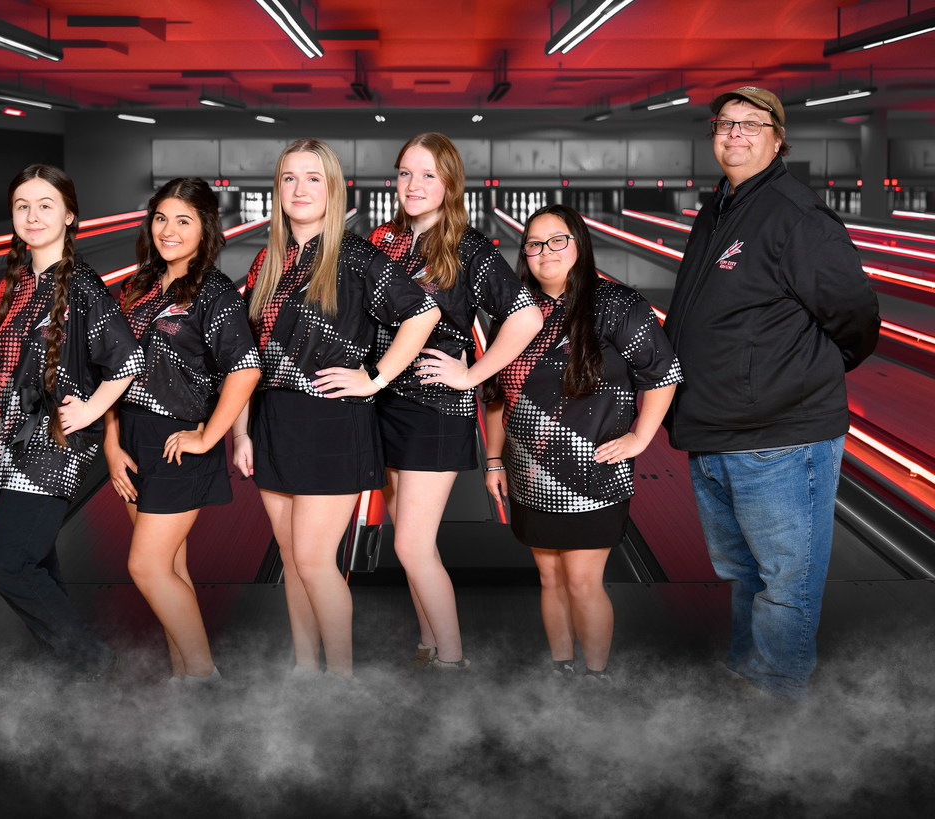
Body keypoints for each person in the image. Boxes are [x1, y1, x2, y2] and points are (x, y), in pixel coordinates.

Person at [663, 86, 881, 703]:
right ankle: (748, 681)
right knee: (743, 574)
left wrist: (793, 375)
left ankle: (779, 701)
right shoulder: (720, 208)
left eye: (752, 124)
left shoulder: (795, 214)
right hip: (715, 432)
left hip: (779, 438)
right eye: (725, 123)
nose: (735, 133)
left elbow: (857, 318)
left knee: (786, 582)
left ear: (778, 139)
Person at [234, 139, 440, 680]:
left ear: (332, 189)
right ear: (277, 190)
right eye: (289, 179)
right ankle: (307, 671)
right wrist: (242, 432)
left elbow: (422, 312)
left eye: (313, 179)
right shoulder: (267, 260)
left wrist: (375, 377)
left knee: (311, 559)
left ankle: (342, 681)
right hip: (272, 421)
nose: (299, 189)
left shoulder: (355, 256)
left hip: (332, 423)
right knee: (292, 560)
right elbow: (247, 355)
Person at [366, 133, 543, 671]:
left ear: (449, 183)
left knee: (411, 546)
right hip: (382, 403)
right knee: (407, 542)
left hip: (434, 411)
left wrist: (470, 376)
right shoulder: (383, 239)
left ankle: (453, 661)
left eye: (428, 175)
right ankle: (429, 645)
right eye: (405, 173)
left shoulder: (468, 247)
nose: (413, 185)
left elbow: (526, 317)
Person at [484, 204, 681, 684]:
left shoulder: (616, 304)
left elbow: (663, 373)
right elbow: (495, 394)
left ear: (579, 244)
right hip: (530, 472)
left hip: (592, 475)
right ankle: (562, 670)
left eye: (558, 240)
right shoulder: (515, 313)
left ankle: (595, 678)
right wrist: (493, 460)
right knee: (550, 578)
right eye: (534, 243)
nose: (545, 252)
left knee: (580, 581)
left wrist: (640, 437)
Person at [0, 164, 143, 683]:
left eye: (46, 205)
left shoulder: (82, 284)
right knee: (38, 562)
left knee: (9, 565)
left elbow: (128, 360)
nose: (33, 215)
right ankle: (69, 669)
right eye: (22, 206)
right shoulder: (12, 286)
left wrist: (89, 409)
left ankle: (93, 661)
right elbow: (0, 376)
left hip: (52, 446)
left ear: (69, 215)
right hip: (11, 445)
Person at [103, 178, 260, 687]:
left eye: (183, 220)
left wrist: (209, 436)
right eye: (161, 218)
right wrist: (111, 443)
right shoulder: (139, 287)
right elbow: (112, 368)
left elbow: (246, 369)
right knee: (170, 568)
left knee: (147, 568)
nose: (168, 230)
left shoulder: (215, 293)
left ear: (205, 229)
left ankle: (205, 679)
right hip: (134, 439)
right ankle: (183, 682)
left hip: (178, 444)